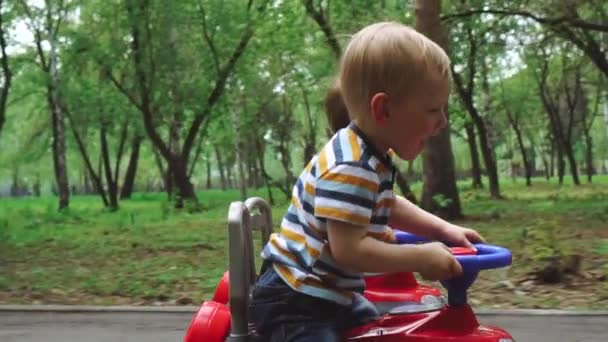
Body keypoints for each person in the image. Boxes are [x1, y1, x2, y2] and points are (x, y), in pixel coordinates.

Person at [250, 22, 485, 342]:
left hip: (328, 295)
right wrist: (422, 257)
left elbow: (387, 203)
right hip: (296, 300)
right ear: (384, 108)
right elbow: (349, 251)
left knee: (380, 329)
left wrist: (442, 230)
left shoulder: (368, 154)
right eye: (433, 109)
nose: (442, 121)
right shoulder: (351, 165)